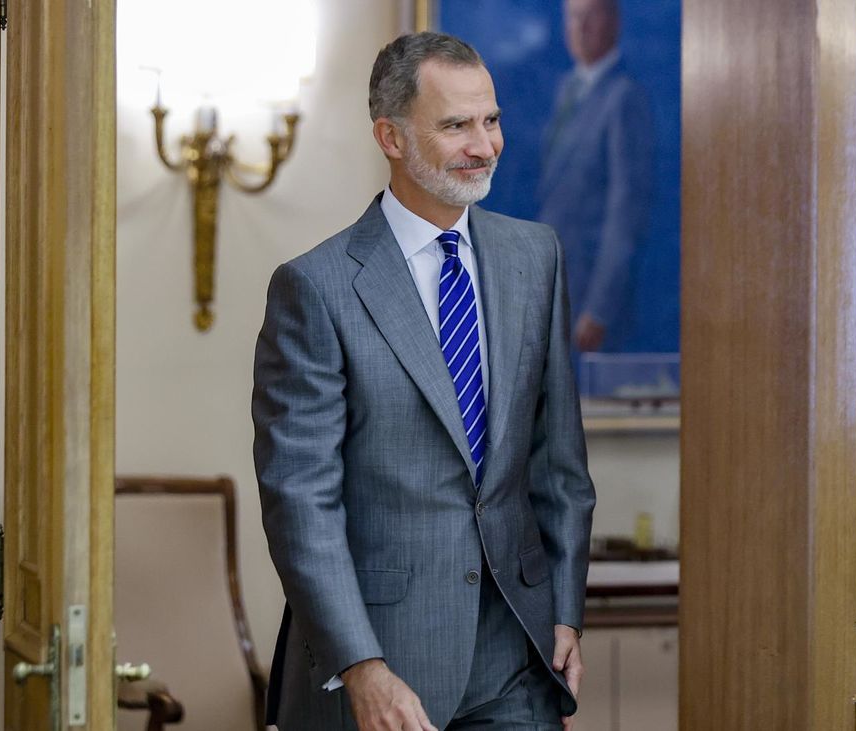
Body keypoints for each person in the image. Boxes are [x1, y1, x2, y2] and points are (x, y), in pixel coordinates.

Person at [252, 32, 597, 731]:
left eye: (491, 120)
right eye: (456, 125)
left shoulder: (537, 257)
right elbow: (301, 502)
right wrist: (362, 667)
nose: (484, 145)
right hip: (384, 665)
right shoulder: (315, 289)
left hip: (518, 657)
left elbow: (557, 462)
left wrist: (565, 610)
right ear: (392, 137)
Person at [538, 0, 653, 354]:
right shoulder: (568, 88)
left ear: (613, 22)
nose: (580, 28)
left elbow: (626, 215)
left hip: (591, 300)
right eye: (573, 17)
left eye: (590, 17)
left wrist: (599, 309)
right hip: (558, 285)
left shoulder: (624, 98)